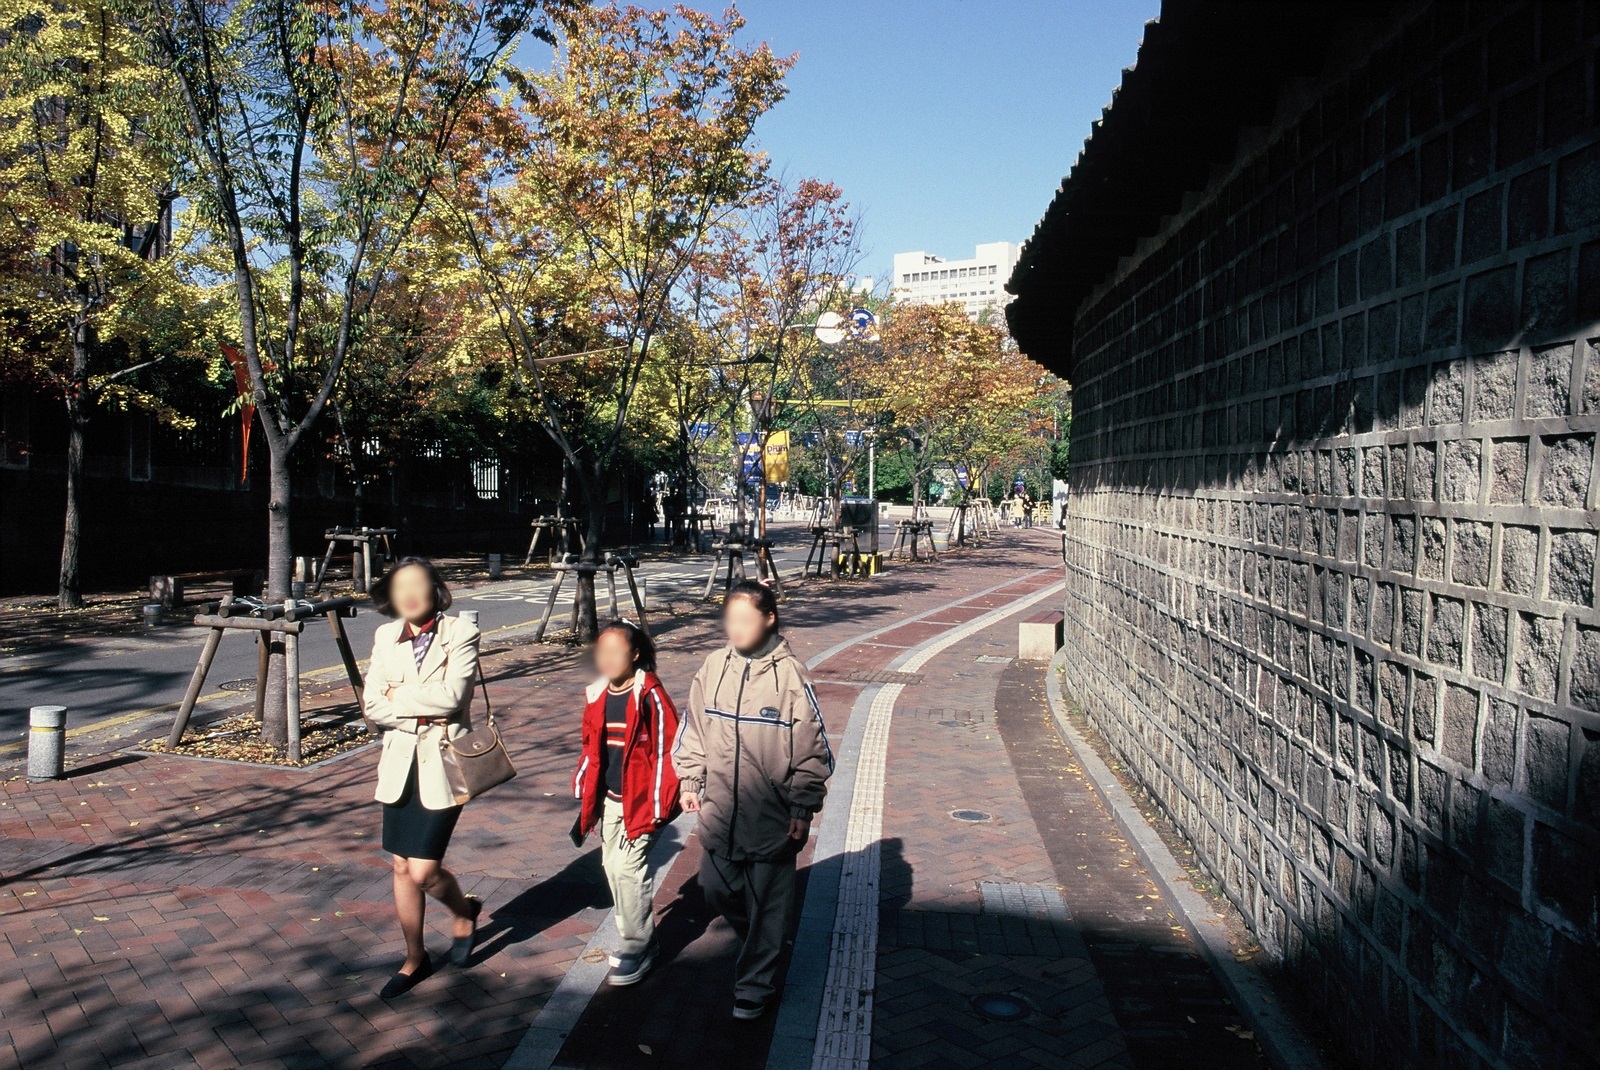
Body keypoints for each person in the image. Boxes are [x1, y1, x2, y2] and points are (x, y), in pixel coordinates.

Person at [673, 580, 833, 1020]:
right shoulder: (713, 666)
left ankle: (755, 986)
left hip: (772, 815)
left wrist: (802, 806)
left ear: (769, 619)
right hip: (720, 811)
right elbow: (694, 728)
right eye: (731, 619)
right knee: (715, 889)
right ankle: (763, 941)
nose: (736, 628)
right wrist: (690, 780)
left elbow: (813, 747)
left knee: (768, 906)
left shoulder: (791, 676)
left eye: (746, 619)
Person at [362, 557, 484, 998]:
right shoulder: (385, 636)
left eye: (418, 584)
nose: (410, 594)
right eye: (400, 586)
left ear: (436, 589)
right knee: (400, 865)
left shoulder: (460, 633)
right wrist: (417, 710)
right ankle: (415, 958)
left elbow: (453, 697)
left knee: (423, 871)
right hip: (399, 763)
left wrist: (398, 697)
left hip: (443, 764)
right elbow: (371, 704)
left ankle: (463, 910)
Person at [571, 619, 682, 986]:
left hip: (641, 801)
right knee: (612, 867)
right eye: (601, 651)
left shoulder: (650, 694)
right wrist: (584, 782)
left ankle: (638, 947)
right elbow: (591, 745)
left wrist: (658, 805)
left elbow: (668, 751)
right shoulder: (597, 693)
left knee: (628, 870)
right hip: (610, 801)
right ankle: (638, 940)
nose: (606, 659)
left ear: (634, 655)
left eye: (615, 652)